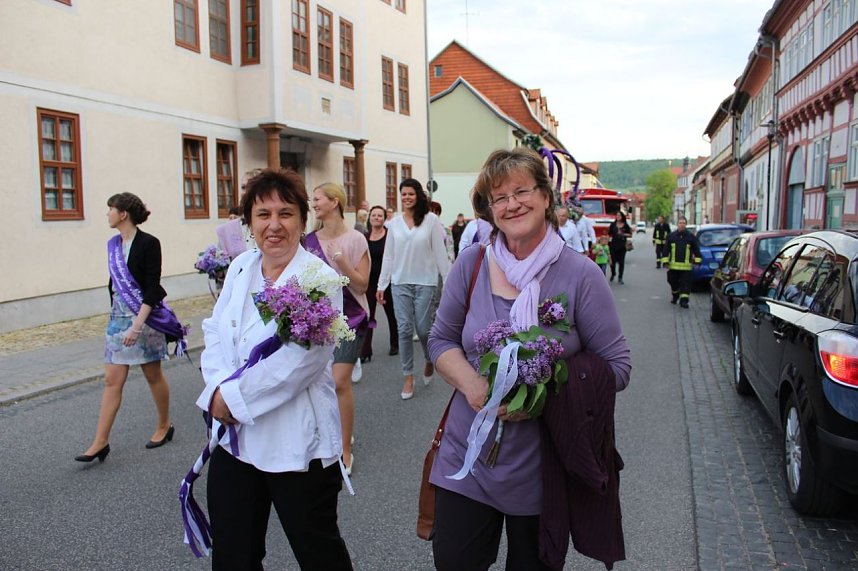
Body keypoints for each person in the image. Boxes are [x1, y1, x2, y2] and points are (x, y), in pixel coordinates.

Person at [428, 148, 630, 570]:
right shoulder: (472, 263)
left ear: (545, 197)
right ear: (489, 209)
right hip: (467, 454)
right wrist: (473, 385)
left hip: (542, 468)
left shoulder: (580, 275)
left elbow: (617, 366)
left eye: (522, 191)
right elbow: (441, 339)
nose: (511, 203)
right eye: (498, 197)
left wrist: (543, 392)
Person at [196, 169, 353, 569]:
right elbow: (215, 330)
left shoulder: (319, 278)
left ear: (303, 219)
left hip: (295, 444)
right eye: (263, 214)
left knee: (318, 552)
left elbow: (302, 363)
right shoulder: (241, 268)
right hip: (235, 441)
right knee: (234, 554)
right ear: (249, 221)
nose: (274, 225)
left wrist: (230, 398)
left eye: (286, 213)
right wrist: (216, 389)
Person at [76, 193, 185, 463]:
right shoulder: (113, 244)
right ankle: (100, 441)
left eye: (110, 209)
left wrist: (137, 326)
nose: (108, 214)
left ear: (123, 213)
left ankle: (163, 425)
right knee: (111, 380)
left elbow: (152, 287)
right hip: (118, 319)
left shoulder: (149, 243)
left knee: (152, 375)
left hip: (143, 319)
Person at [307, 182, 371, 475]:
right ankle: (331, 433)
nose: (314, 204)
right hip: (319, 320)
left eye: (318, 199)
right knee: (320, 381)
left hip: (352, 317)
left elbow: (362, 285)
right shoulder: (307, 241)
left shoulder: (356, 239)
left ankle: (345, 448)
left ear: (334, 202)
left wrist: (341, 261)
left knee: (339, 381)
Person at [377, 178, 451, 400]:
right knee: (404, 329)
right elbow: (388, 256)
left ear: (418, 195)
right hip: (400, 283)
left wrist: (448, 282)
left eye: (410, 193)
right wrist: (382, 284)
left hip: (425, 282)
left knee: (423, 328)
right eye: (403, 194)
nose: (406, 197)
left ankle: (430, 359)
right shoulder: (394, 225)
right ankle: (408, 376)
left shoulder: (431, 221)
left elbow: (440, 253)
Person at [361, 205, 399, 363]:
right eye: (374, 215)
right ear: (370, 217)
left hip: (387, 281)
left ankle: (395, 343)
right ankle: (366, 350)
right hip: (369, 281)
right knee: (368, 315)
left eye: (379, 215)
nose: (376, 218)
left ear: (384, 219)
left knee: (391, 314)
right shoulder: (364, 236)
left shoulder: (390, 236)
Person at [660, 215, 701, 309]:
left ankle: (684, 301)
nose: (682, 225)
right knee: (672, 282)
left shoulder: (691, 237)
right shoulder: (671, 236)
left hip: (686, 267)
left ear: (686, 225)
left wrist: (698, 262)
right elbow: (666, 250)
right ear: (677, 224)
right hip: (673, 267)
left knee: (685, 284)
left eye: (684, 223)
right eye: (680, 223)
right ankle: (675, 295)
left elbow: (696, 250)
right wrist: (665, 262)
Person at [608, 211, 633, 284]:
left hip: (622, 246)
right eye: (617, 215)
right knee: (612, 262)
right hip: (613, 245)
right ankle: (613, 273)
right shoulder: (613, 225)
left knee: (621, 262)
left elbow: (630, 235)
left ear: (622, 217)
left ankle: (620, 277)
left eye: (619, 215)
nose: (618, 216)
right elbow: (609, 234)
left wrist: (623, 234)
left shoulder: (625, 225)